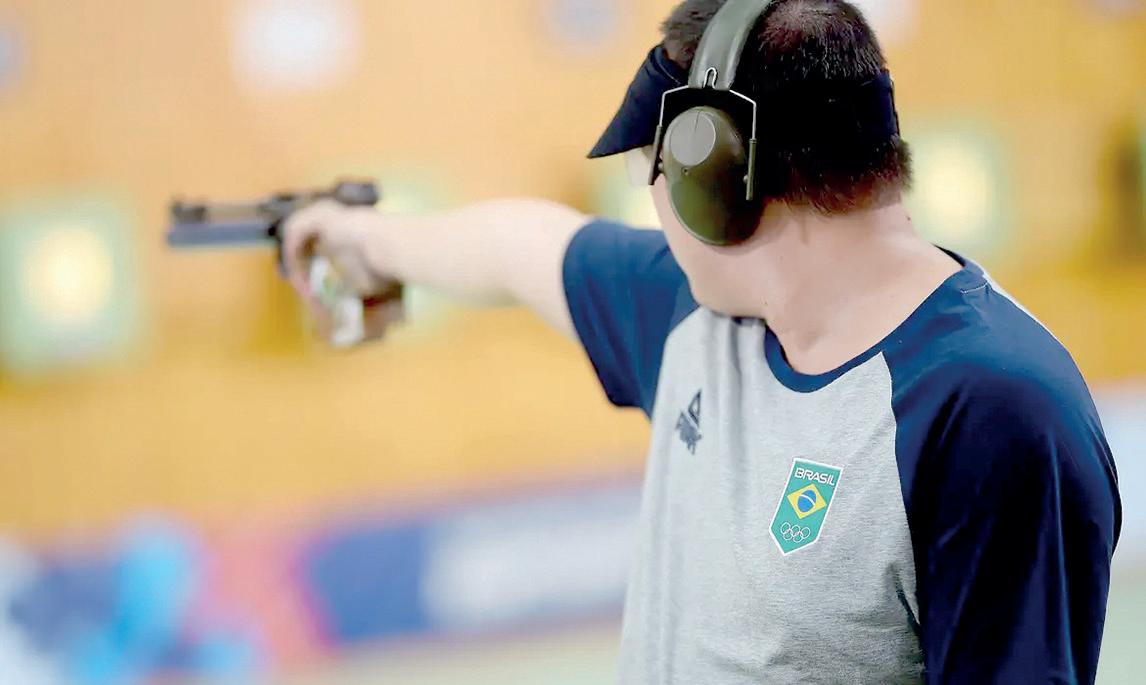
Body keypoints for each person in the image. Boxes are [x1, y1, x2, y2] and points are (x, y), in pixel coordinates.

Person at [280, 0, 1121, 682]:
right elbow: (517, 247)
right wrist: (364, 239)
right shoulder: (700, 317)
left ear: (713, 176)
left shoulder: (992, 411)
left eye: (653, 168)